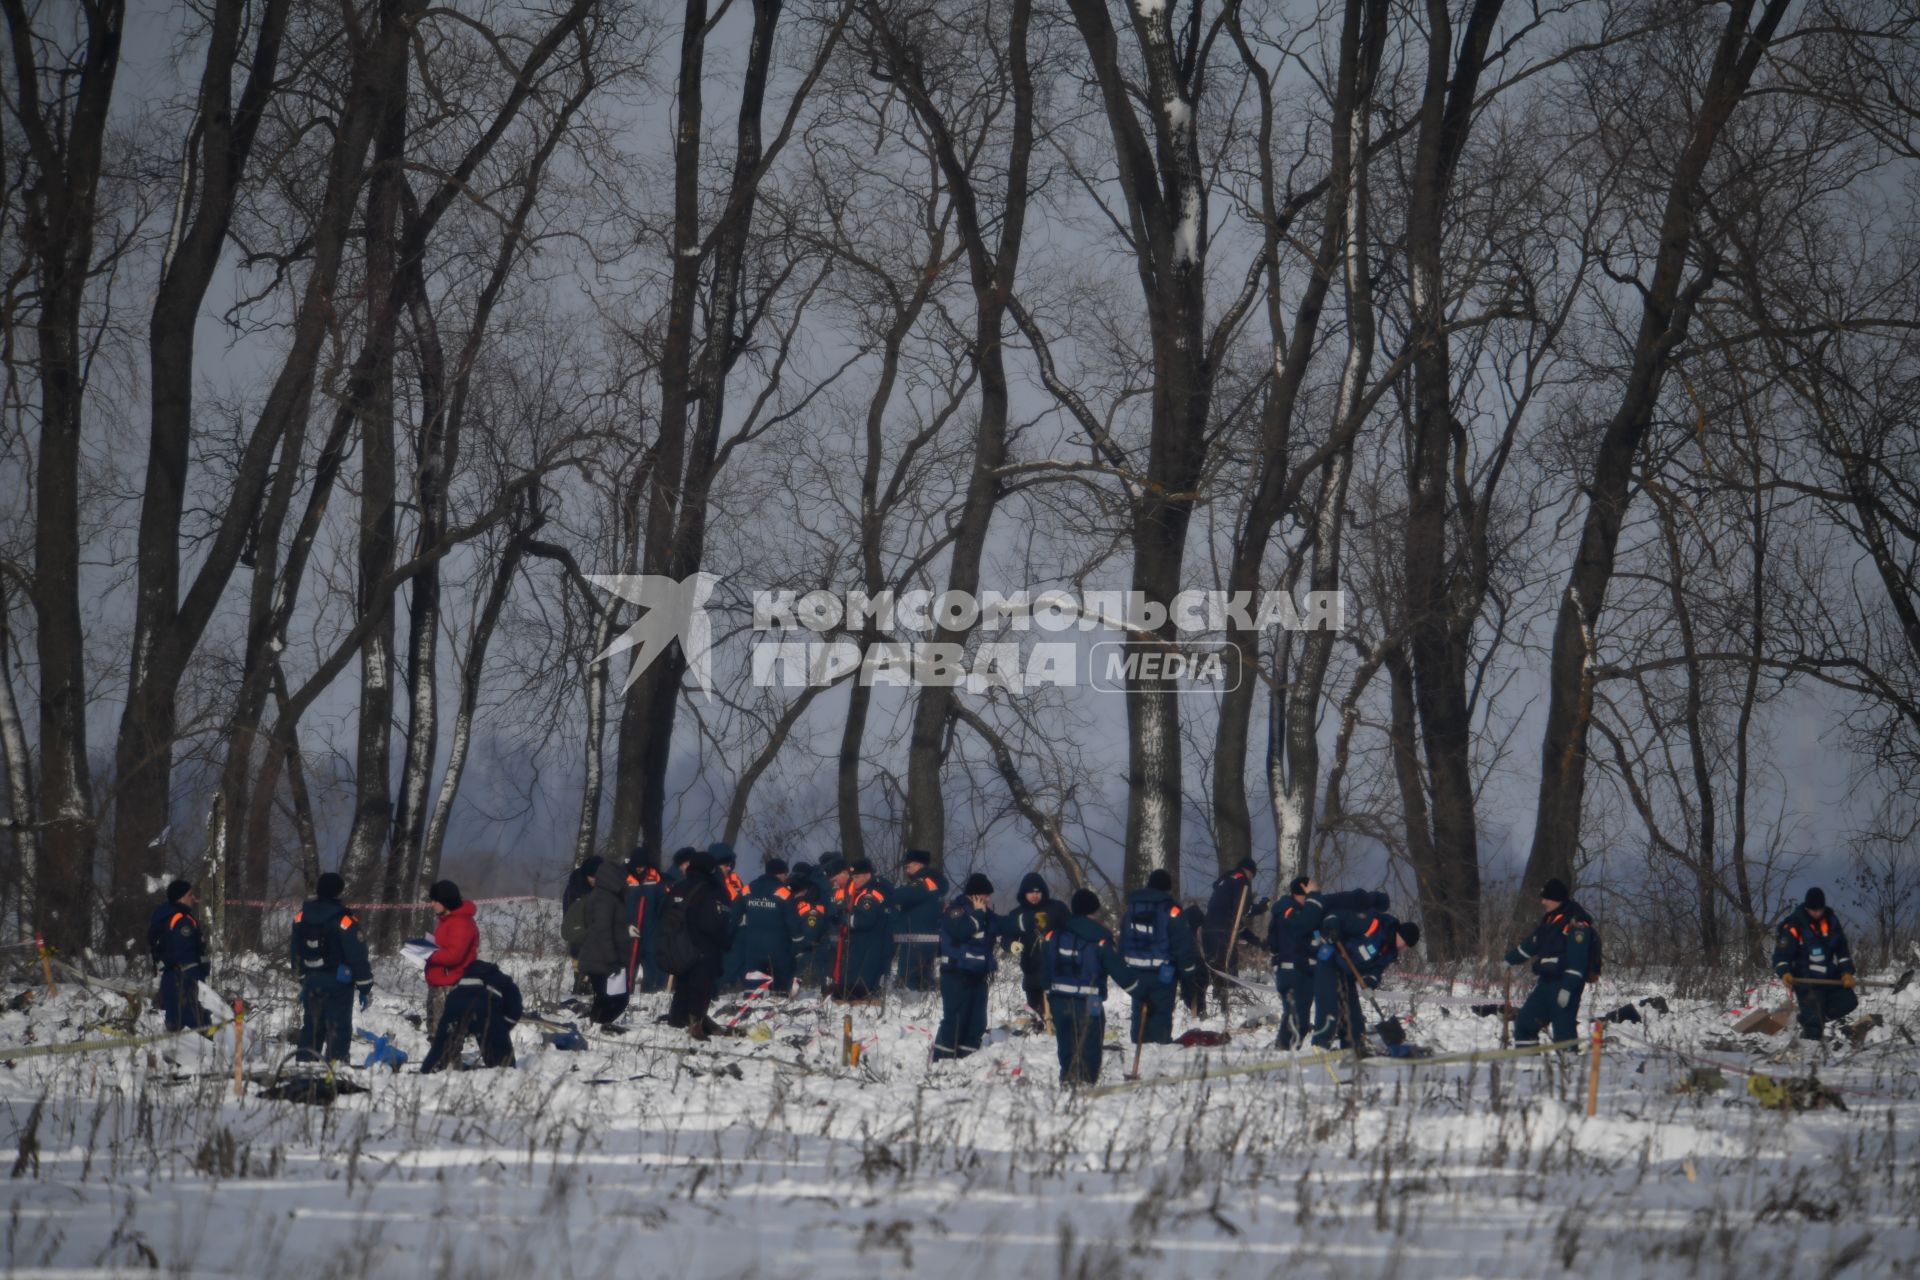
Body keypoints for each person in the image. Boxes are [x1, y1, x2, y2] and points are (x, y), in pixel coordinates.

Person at [1268, 880, 1387, 1049]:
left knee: (1308, 1016)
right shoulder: (1288, 910)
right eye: (1310, 894)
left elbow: (1338, 901)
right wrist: (1314, 896)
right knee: (1296, 1017)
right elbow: (1304, 924)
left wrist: (1371, 900)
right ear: (1301, 893)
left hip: (1307, 970)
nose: (1316, 899)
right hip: (1292, 972)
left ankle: (1346, 1041)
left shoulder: (1308, 908)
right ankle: (1284, 1054)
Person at [1041, 889, 1138, 1085]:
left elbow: (1045, 968)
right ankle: (1087, 1081)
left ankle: (1068, 1078)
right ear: (1093, 911)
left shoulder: (1053, 935)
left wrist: (1049, 992)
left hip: (1059, 999)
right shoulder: (1101, 937)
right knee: (1090, 1043)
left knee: (1066, 1042)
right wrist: (1138, 989)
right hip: (1089, 1000)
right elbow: (1117, 969)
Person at [1309, 905, 1419, 1052]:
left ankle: (1354, 1048)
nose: (1404, 947)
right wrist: (1332, 927)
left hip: (1348, 973)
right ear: (1400, 934)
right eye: (1405, 943)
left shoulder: (1390, 953)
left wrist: (1369, 981)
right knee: (1330, 1006)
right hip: (1330, 962)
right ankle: (1319, 1047)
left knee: (1353, 1015)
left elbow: (1376, 970)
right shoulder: (1373, 924)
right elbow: (1336, 915)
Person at [1505, 879, 1599, 1049]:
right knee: (1524, 1024)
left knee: (1563, 1032)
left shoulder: (1576, 924)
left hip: (1565, 984)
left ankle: (1567, 1069)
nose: (1543, 902)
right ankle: (1527, 1067)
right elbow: (1530, 945)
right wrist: (1508, 961)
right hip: (1545, 983)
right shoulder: (1549, 922)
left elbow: (1578, 961)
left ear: (1556, 899)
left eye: (1546, 898)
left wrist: (1567, 989)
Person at [290, 872, 373, 1063]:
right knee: (338, 1026)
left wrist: (302, 979)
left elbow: (295, 951)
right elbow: (357, 955)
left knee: (311, 1025)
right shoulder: (345, 920)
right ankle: (336, 1066)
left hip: (311, 981)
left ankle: (304, 1065)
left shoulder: (301, 917)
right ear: (339, 892)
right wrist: (365, 986)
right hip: (339, 983)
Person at [1118, 870, 1200, 1044]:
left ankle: (1139, 1043)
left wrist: (1123, 966)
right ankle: (1160, 1046)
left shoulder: (1131, 909)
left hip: (1135, 970)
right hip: (1163, 972)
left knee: (1139, 1009)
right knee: (1161, 1011)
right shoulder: (1172, 911)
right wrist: (1188, 973)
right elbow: (1183, 945)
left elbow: (1123, 940)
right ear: (1167, 888)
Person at [1772, 887, 1858, 1047]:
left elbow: (1842, 950)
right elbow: (1781, 956)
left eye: (1819, 910)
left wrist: (1846, 972)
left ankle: (1810, 1017)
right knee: (1814, 1030)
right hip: (1805, 980)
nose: (1817, 913)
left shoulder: (1831, 921)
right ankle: (1810, 1047)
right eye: (1813, 910)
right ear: (1807, 907)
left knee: (1849, 1001)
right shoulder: (1794, 925)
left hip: (1829, 976)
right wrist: (1784, 973)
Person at [665, 850, 737, 1038]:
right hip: (704, 948)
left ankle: (676, 1020)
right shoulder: (712, 890)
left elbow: (663, 914)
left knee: (683, 986)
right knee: (701, 988)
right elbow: (714, 922)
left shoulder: (677, 887)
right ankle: (695, 1023)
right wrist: (725, 941)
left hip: (679, 946)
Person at [934, 874, 999, 1060]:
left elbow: (1002, 926)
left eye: (988, 895)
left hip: (978, 977)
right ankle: (942, 1060)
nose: (987, 899)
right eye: (984, 895)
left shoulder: (988, 915)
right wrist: (978, 914)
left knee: (977, 1022)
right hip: (956, 975)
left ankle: (967, 1059)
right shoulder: (955, 911)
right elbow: (962, 931)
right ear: (974, 895)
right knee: (954, 1020)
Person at [420, 959, 523, 1072]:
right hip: (485, 1009)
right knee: (500, 1054)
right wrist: (506, 1025)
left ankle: (440, 1065)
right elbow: (515, 1008)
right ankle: (505, 1071)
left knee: (444, 1039)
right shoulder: (501, 979)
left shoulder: (458, 977)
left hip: (454, 999)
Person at [1201, 859, 1269, 1004]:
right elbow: (1243, 909)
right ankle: (1231, 1004)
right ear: (1249, 871)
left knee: (1215, 966)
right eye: (1252, 876)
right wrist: (1261, 907)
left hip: (1208, 927)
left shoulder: (1224, 882)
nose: (1251, 880)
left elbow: (1238, 925)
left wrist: (1256, 941)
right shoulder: (1241, 880)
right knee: (1228, 964)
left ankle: (1217, 1002)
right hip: (1222, 930)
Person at [574, 860, 632, 1026]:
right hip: (602, 959)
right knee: (618, 999)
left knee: (606, 998)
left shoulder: (608, 896)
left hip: (603, 958)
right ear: (613, 878)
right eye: (623, 878)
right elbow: (602, 930)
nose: (626, 881)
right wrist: (612, 959)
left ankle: (595, 1025)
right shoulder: (604, 898)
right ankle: (599, 1026)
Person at [1005, 872, 1070, 1019]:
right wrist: (1010, 944)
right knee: (1037, 1014)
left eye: (1037, 892)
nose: (1035, 896)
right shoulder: (1017, 914)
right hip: (1031, 971)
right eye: (1030, 892)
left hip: (1057, 970)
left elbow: (1071, 930)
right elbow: (1006, 935)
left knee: (1059, 1013)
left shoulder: (1057, 908)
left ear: (1043, 892)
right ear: (1024, 894)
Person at [150, 879, 210, 1032]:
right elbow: (185, 954)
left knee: (177, 1028)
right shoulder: (181, 921)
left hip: (172, 980)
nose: (194, 898)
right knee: (200, 1027)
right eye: (190, 895)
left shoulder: (167, 916)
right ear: (181, 897)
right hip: (183, 981)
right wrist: (197, 977)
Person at [733, 858, 798, 994]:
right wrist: (799, 940)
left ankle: (751, 1007)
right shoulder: (784, 893)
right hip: (778, 946)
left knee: (753, 981)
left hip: (752, 945)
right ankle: (777, 1003)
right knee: (780, 982)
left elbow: (735, 913)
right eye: (785, 874)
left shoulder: (748, 889)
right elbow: (793, 921)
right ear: (779, 874)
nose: (786, 878)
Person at [423, 879, 479, 1036]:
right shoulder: (446, 921)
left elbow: (454, 955)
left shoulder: (461, 923)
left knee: (447, 1033)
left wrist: (428, 954)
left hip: (450, 985)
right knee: (436, 1031)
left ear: (446, 901)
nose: (432, 904)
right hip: (439, 982)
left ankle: (448, 1059)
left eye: (436, 901)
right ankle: (440, 1059)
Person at [832, 859, 893, 999]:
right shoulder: (862, 891)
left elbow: (863, 920)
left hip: (869, 945)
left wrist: (842, 918)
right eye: (852, 877)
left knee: (858, 984)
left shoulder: (870, 895)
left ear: (868, 875)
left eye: (857, 877)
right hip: (860, 945)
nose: (854, 880)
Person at [890, 850, 947, 992]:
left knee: (910, 983)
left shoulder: (922, 884)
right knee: (924, 981)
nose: (906, 869)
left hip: (914, 942)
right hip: (927, 941)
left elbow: (897, 896)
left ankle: (911, 1009)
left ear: (918, 865)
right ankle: (926, 1007)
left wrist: (882, 890)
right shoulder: (935, 885)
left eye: (908, 866)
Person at [624, 850, 669, 993]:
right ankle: (625, 991)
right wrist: (626, 925)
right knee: (628, 962)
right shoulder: (624, 877)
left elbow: (664, 902)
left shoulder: (655, 878)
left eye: (642, 866)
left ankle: (650, 992)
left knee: (652, 960)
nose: (639, 869)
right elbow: (617, 905)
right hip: (630, 928)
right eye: (636, 866)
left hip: (651, 928)